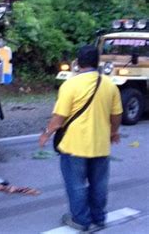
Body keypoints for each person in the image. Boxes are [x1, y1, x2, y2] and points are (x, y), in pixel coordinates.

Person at [39, 45, 123, 232]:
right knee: (99, 185)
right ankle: (99, 218)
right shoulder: (110, 85)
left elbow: (59, 118)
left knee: (76, 185)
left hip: (74, 146)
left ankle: (81, 220)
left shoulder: (70, 85)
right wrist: (113, 132)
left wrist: (46, 134)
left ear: (78, 63)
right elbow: (117, 114)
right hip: (100, 145)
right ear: (98, 62)